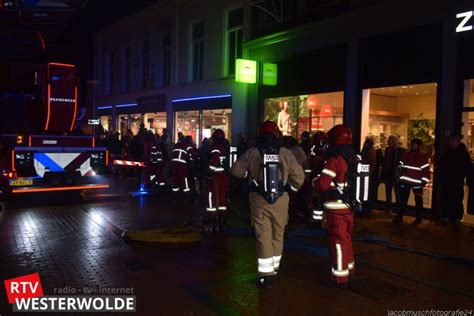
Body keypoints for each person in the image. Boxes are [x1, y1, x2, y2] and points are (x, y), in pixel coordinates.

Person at [231, 121, 305, 288]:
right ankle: (275, 268)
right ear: (277, 135)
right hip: (281, 201)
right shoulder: (285, 153)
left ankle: (266, 275)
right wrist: (289, 189)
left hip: (259, 201)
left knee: (263, 236)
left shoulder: (252, 153)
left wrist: (249, 177)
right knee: (278, 234)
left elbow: (236, 170)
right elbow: (299, 179)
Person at [312, 125, 356, 289]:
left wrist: (314, 180)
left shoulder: (335, 160)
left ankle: (339, 279)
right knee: (346, 240)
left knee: (338, 243)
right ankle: (349, 271)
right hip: (349, 206)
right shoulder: (353, 157)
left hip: (336, 209)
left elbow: (322, 185)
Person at [393, 138, 430, 225]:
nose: (413, 145)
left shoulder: (422, 156)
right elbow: (400, 167)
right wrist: (399, 177)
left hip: (417, 183)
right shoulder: (406, 154)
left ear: (419, 146)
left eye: (415, 144)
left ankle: (418, 218)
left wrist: (424, 182)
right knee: (403, 200)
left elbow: (426, 170)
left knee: (418, 201)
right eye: (412, 144)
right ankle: (400, 216)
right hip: (406, 182)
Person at [439, 135, 472, 230]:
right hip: (447, 181)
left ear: (457, 142)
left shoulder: (463, 154)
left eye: (452, 141)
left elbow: (467, 168)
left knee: (457, 201)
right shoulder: (448, 153)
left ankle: (456, 219)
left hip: (457, 182)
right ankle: (446, 217)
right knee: (446, 199)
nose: (450, 142)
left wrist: (460, 175)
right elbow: (442, 166)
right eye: (450, 141)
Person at [203, 129, 231, 232]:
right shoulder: (224, 147)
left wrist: (207, 170)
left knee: (212, 196)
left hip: (215, 177)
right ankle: (222, 215)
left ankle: (211, 216)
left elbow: (213, 165)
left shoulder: (215, 148)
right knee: (222, 195)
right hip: (223, 176)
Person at [381, 135, 406, 213]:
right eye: (389, 140)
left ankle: (397, 209)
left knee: (397, 193)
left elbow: (402, 162)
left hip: (396, 175)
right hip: (388, 174)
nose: (388, 141)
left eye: (390, 140)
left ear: (395, 141)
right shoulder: (388, 149)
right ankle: (389, 207)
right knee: (389, 192)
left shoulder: (401, 150)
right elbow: (385, 162)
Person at [360, 136, 377, 217]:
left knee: (366, 193)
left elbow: (370, 163)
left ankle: (367, 210)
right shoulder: (369, 151)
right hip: (365, 174)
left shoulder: (369, 152)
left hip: (366, 175)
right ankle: (366, 209)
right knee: (365, 193)